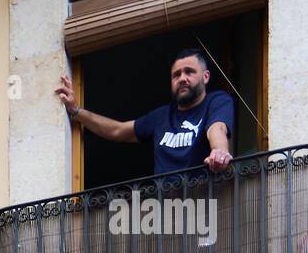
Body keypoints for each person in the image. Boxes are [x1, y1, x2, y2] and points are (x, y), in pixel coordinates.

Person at [56, 48, 235, 175]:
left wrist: (219, 152)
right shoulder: (161, 117)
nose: (182, 78)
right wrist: (76, 111)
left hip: (204, 204)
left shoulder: (216, 101)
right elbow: (117, 130)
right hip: (166, 210)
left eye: (189, 72)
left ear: (206, 76)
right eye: (176, 74)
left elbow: (217, 128)